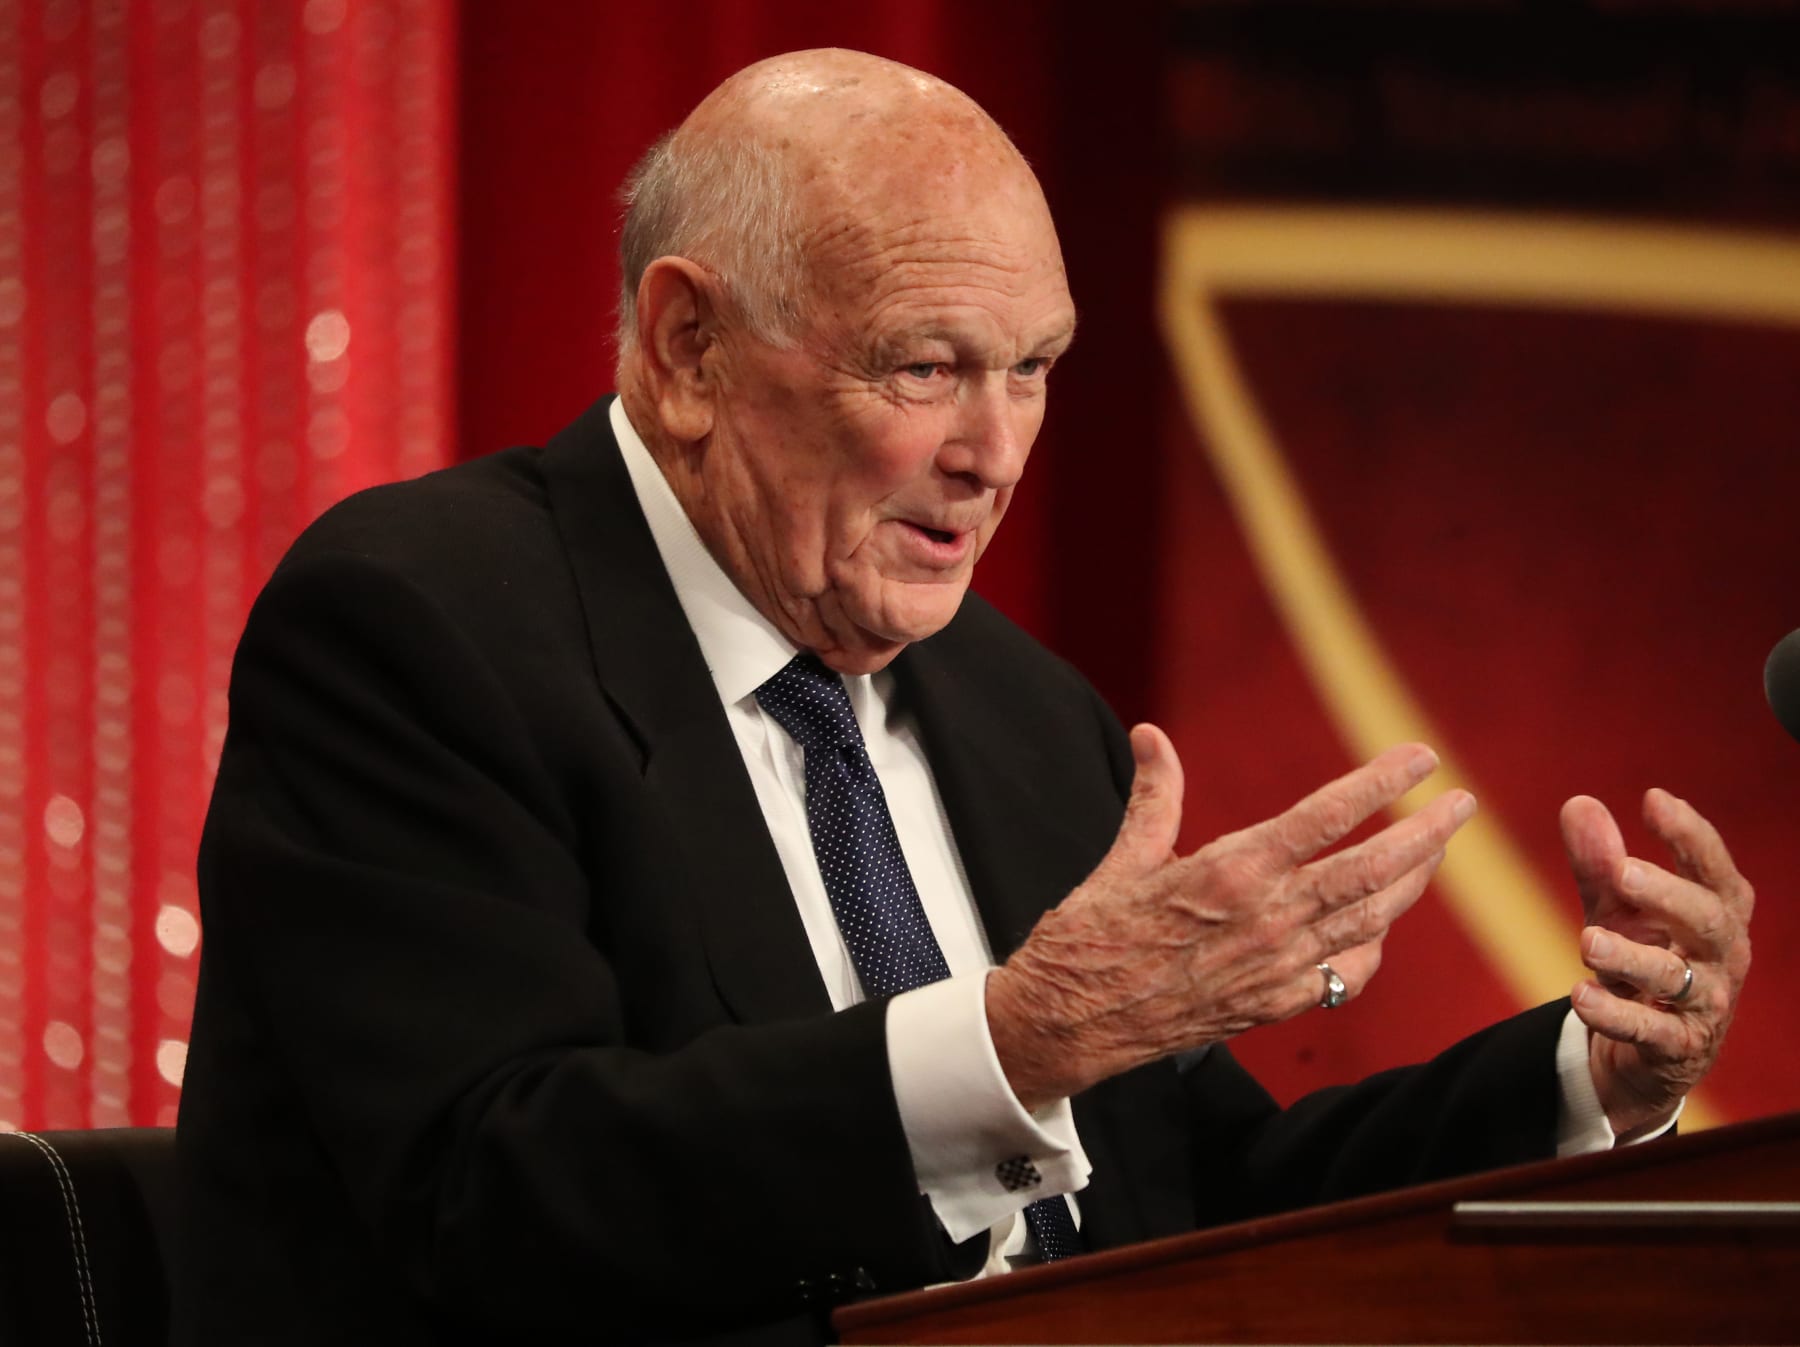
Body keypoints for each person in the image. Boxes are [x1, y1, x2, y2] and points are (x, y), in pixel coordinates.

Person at [173, 49, 1753, 1347]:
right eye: (924, 367)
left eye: (1035, 369)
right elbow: (491, 1193)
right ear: (687, 350)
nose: (994, 455)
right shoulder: (420, 628)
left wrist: (1589, 1081)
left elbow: (1194, 1198)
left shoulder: (1016, 710)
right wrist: (1016, 1037)